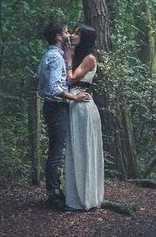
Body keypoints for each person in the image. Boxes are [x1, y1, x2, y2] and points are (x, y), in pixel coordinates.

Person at [37, 22, 90, 211]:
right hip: (56, 108)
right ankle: (54, 194)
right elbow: (53, 88)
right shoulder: (55, 57)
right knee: (56, 153)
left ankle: (57, 191)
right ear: (59, 37)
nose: (69, 35)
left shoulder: (57, 55)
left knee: (57, 151)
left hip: (56, 108)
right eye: (67, 32)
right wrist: (74, 97)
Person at [63, 24, 104, 210]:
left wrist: (69, 57)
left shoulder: (89, 58)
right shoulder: (79, 56)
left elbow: (71, 79)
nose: (73, 34)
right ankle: (76, 196)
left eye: (78, 33)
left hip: (82, 105)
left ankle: (87, 197)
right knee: (75, 149)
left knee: (84, 148)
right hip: (74, 102)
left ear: (85, 38)